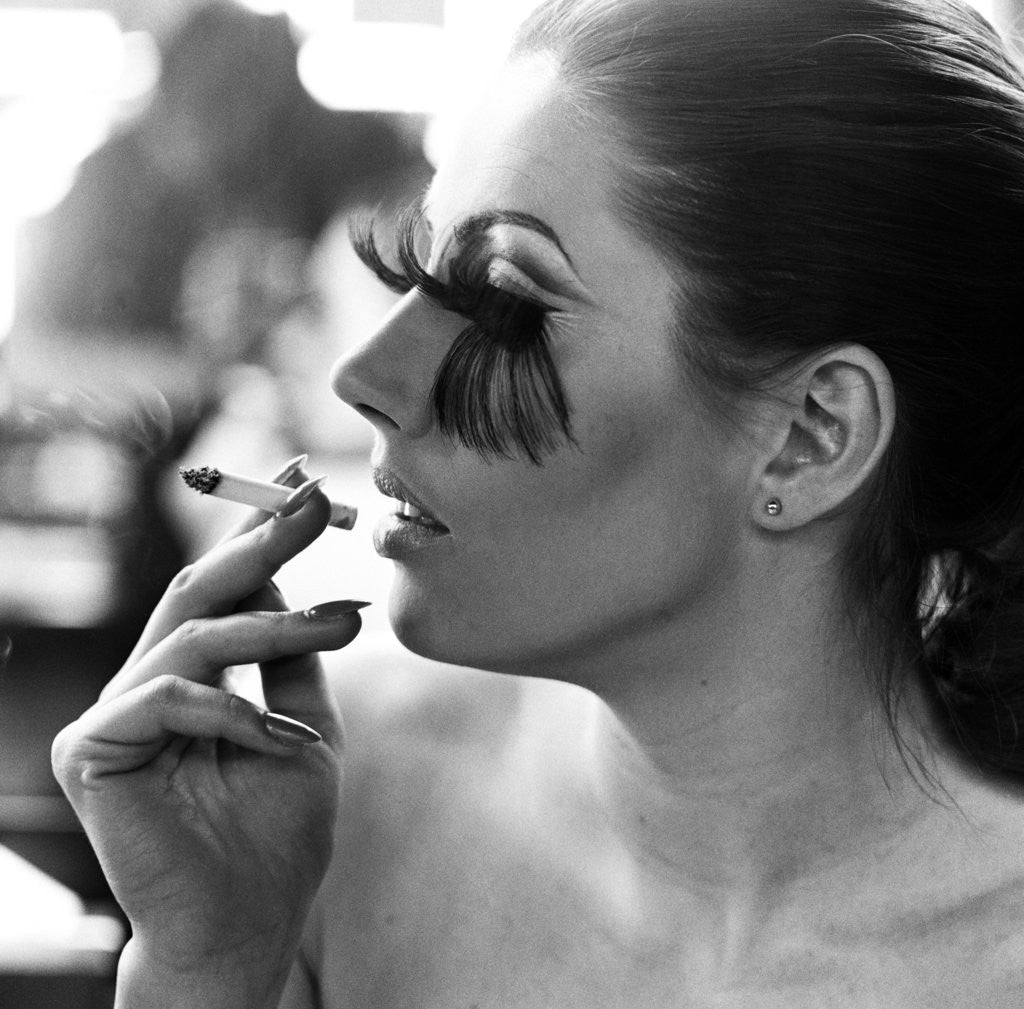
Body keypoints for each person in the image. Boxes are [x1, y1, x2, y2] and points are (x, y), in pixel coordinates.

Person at [51, 0, 1024, 1004]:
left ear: (811, 434)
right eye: (413, 275)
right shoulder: (327, 802)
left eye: (505, 306)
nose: (361, 375)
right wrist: (204, 970)